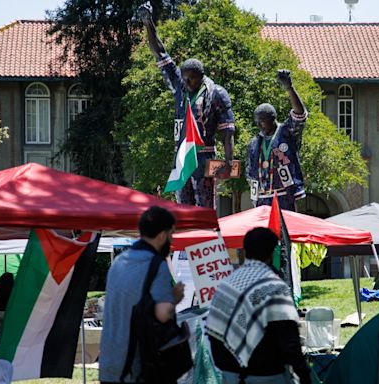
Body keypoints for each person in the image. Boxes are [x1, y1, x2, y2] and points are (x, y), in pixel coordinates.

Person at [140, 1, 235, 208]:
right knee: (183, 207)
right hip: (182, 155)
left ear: (200, 76)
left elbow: (228, 133)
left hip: (204, 156)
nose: (186, 82)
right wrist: (149, 24)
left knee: (204, 207)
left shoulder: (217, 93)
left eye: (190, 78)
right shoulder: (179, 88)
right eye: (183, 78)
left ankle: (206, 239)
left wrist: (228, 163)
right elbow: (160, 53)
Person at [207, 227, 311, 384]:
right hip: (267, 376)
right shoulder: (274, 287)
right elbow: (289, 340)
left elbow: (214, 331)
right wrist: (303, 375)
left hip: (230, 375)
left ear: (245, 250)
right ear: (271, 253)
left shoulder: (226, 285)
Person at [99, 206, 185, 384]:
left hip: (109, 362)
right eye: (171, 234)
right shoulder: (155, 264)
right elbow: (163, 314)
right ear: (162, 235)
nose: (171, 239)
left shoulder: (119, 262)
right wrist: (175, 298)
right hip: (136, 366)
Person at [246, 69, 308, 211]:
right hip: (262, 198)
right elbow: (250, 172)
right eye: (257, 121)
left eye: (262, 121)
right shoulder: (254, 143)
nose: (259, 125)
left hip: (284, 196)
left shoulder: (286, 133)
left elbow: (300, 116)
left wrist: (289, 88)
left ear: (273, 118)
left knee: (284, 232)